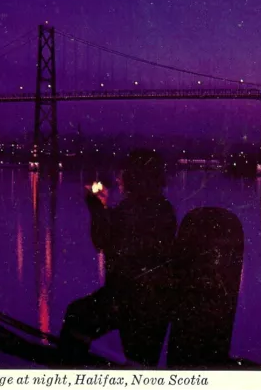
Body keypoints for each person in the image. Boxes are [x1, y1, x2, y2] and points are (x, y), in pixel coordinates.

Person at [58, 149, 177, 367]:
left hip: (127, 300)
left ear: (134, 177)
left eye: (123, 175)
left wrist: (95, 207)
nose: (118, 180)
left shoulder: (130, 209)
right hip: (156, 302)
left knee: (76, 316)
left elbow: (101, 240)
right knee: (142, 361)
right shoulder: (164, 208)